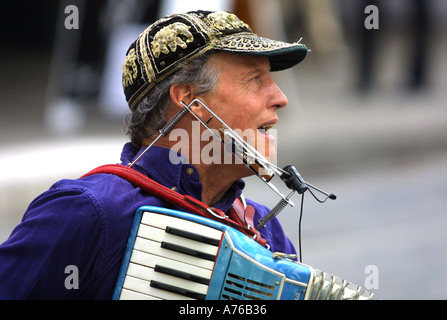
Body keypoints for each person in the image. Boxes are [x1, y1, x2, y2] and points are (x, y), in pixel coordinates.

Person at [0, 10, 308, 299]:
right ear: (189, 100)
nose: (280, 98)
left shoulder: (266, 231)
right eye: (256, 80)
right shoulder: (89, 212)